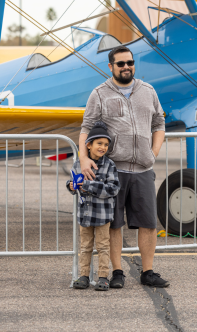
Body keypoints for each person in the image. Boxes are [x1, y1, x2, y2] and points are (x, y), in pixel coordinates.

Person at [79, 45, 168, 288]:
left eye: (130, 62)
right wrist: (84, 158)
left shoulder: (148, 91)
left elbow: (159, 122)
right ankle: (117, 271)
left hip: (143, 169)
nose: (126, 67)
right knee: (114, 223)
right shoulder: (99, 94)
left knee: (148, 223)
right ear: (111, 67)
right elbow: (86, 128)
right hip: (113, 171)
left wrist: (154, 152)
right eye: (121, 63)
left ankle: (148, 271)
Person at [67, 121, 120, 291]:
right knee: (85, 246)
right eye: (99, 143)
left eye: (106, 144)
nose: (103, 147)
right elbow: (73, 183)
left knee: (103, 246)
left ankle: (103, 277)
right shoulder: (78, 165)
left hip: (102, 215)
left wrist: (89, 185)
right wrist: (70, 186)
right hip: (85, 214)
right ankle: (84, 276)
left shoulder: (109, 165)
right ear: (88, 145)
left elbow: (113, 189)